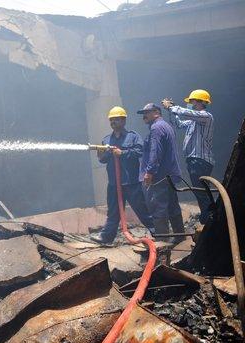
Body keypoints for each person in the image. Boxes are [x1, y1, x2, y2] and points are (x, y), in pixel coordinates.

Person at [90, 106, 155, 245]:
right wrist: (100, 154)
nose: (113, 122)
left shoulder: (133, 136)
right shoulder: (107, 139)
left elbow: (140, 151)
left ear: (123, 120)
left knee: (142, 210)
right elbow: (103, 159)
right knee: (113, 212)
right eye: (111, 120)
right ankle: (106, 238)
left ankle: (158, 232)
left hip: (131, 182)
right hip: (114, 183)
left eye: (116, 119)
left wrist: (123, 153)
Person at [161, 89, 214, 224]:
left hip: (200, 160)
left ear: (202, 102)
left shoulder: (206, 116)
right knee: (200, 192)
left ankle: (209, 218)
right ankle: (208, 217)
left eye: (193, 102)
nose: (191, 104)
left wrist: (171, 107)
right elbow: (178, 124)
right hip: (194, 160)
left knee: (201, 192)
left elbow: (186, 112)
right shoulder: (193, 121)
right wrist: (171, 111)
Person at [137, 103, 185, 242]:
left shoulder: (156, 128)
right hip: (170, 174)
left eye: (147, 112)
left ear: (157, 112)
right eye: (143, 113)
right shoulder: (166, 126)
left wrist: (149, 172)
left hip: (159, 176)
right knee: (173, 206)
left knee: (158, 209)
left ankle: (162, 242)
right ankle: (180, 236)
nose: (144, 116)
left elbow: (155, 152)